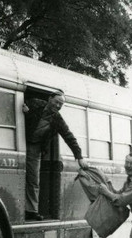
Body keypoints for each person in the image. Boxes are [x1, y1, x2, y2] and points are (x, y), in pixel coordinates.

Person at [23, 91, 88, 221]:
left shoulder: (57, 119)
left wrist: (79, 156)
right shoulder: (35, 103)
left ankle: (31, 210)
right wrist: (26, 111)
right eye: (57, 102)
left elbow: (69, 137)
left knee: (33, 179)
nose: (58, 105)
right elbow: (20, 105)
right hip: (20, 140)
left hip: (34, 146)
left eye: (61, 104)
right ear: (49, 98)